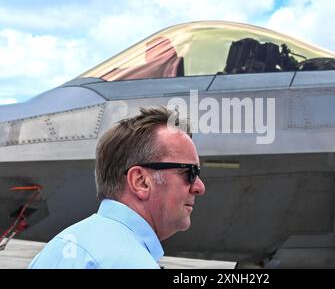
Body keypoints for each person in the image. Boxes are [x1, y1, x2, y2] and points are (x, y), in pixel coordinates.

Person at [29, 106, 205, 268]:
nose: (199, 187)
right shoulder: (130, 262)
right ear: (141, 182)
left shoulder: (56, 249)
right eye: (188, 172)